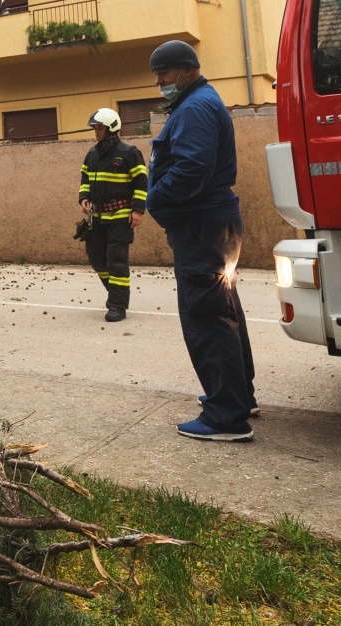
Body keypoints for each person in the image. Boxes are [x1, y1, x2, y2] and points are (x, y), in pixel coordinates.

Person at [145, 39, 258, 442]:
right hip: (211, 223)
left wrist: (153, 198)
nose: (159, 81)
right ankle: (237, 394)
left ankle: (226, 416)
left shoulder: (195, 108)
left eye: (165, 73)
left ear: (188, 70)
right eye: (157, 74)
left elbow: (192, 168)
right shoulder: (198, 102)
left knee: (208, 315)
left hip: (201, 226)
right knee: (222, 308)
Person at [78, 108, 147, 321]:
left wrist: (137, 210)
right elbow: (85, 180)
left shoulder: (129, 152)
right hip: (97, 218)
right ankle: (115, 294)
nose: (96, 132)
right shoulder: (92, 153)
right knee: (97, 259)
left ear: (112, 128)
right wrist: (84, 198)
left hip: (120, 216)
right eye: (95, 128)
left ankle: (117, 305)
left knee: (116, 260)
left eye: (99, 128)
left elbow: (141, 182)